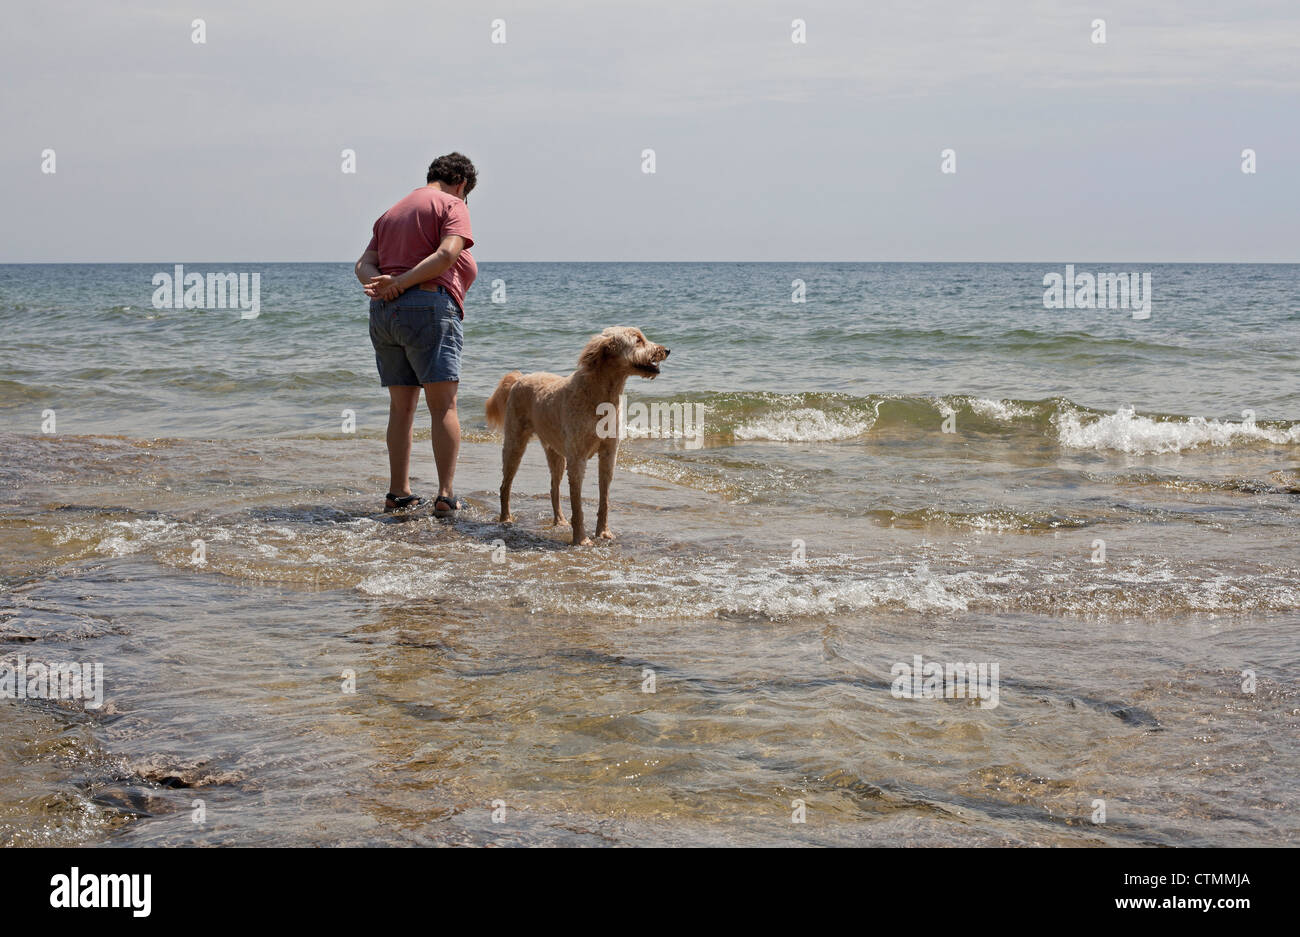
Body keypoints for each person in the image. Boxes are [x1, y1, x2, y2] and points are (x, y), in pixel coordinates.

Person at [355, 152, 478, 515]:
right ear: (461, 184)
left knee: (401, 407)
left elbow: (363, 265)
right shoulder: (451, 205)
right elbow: (446, 255)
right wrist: (403, 282)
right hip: (428, 306)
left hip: (385, 313)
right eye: (465, 193)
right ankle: (445, 495)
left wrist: (384, 287)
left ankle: (399, 492)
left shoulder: (391, 213)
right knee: (443, 406)